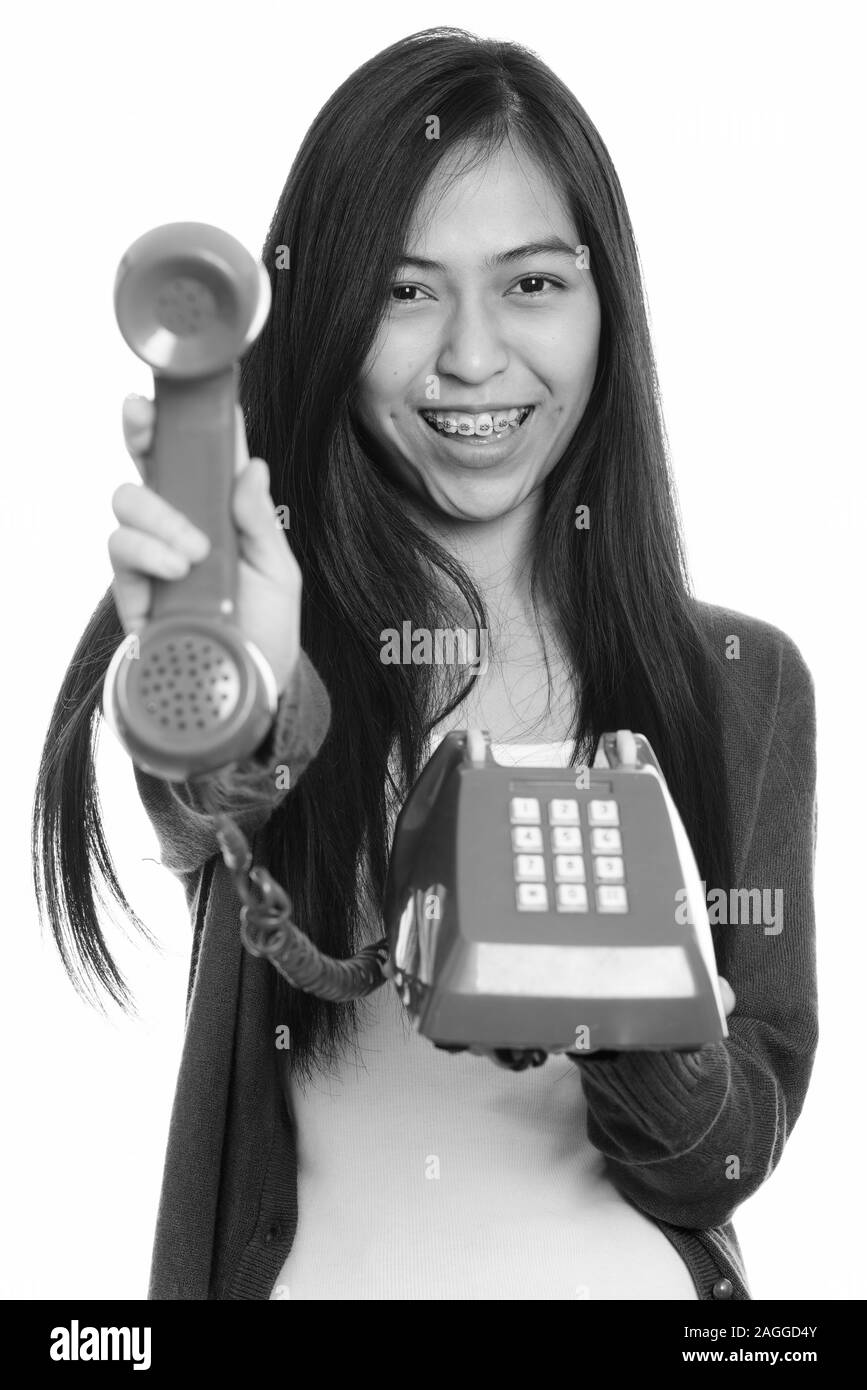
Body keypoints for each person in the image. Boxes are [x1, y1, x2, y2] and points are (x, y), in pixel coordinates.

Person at [32, 27, 817, 1301]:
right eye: (406, 290)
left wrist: (638, 1022)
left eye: (533, 284)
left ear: (606, 300)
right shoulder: (281, 643)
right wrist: (228, 664)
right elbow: (195, 814)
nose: (469, 356)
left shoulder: (743, 682)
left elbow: (731, 1151)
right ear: (332, 315)